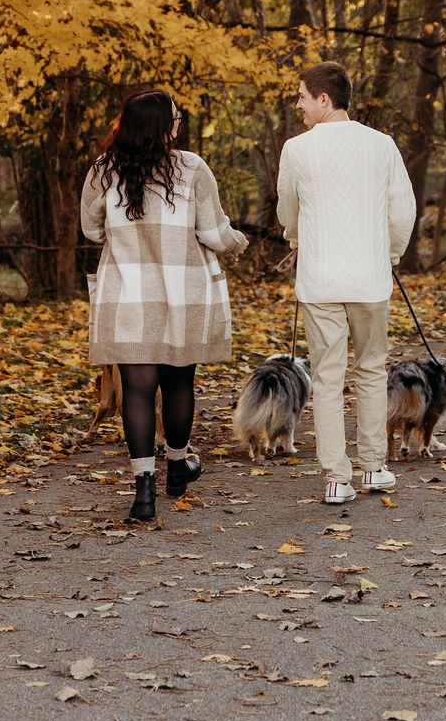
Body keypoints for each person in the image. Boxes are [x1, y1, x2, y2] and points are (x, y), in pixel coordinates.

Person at [81, 90, 247, 521]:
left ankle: (143, 493)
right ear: (160, 125)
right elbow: (213, 232)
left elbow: (91, 230)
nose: (179, 124)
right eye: (175, 118)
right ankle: (176, 467)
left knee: (136, 390)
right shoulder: (191, 167)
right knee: (178, 384)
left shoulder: (103, 170)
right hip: (182, 292)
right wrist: (239, 243)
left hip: (128, 292)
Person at [275, 61, 416, 504]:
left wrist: (297, 240)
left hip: (320, 280)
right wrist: (390, 254)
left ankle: (337, 478)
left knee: (328, 377)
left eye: (302, 96)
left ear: (324, 99)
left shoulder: (296, 150)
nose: (297, 104)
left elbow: (287, 210)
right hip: (370, 280)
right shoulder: (382, 145)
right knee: (372, 370)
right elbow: (402, 209)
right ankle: (374, 468)